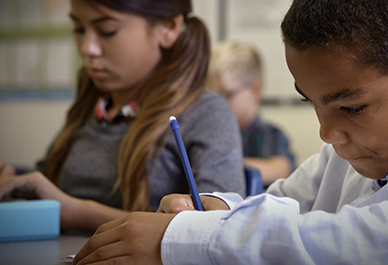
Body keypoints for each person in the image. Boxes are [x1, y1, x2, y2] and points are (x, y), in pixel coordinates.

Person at [70, 0, 388, 265]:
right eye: (310, 102)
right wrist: (215, 207)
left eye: (352, 107)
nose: (327, 132)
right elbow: (285, 201)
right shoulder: (347, 152)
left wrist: (189, 238)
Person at [0, 0, 245, 233]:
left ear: (168, 28)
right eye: (78, 29)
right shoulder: (92, 105)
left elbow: (217, 228)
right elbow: (48, 187)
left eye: (107, 31)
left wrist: (78, 213)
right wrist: (15, 186)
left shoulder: (206, 112)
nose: (87, 48)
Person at [207, 40, 296, 186]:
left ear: (255, 90)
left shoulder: (268, 134)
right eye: (212, 96)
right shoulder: (210, 134)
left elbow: (280, 169)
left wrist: (221, 165)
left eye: (226, 95)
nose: (216, 105)